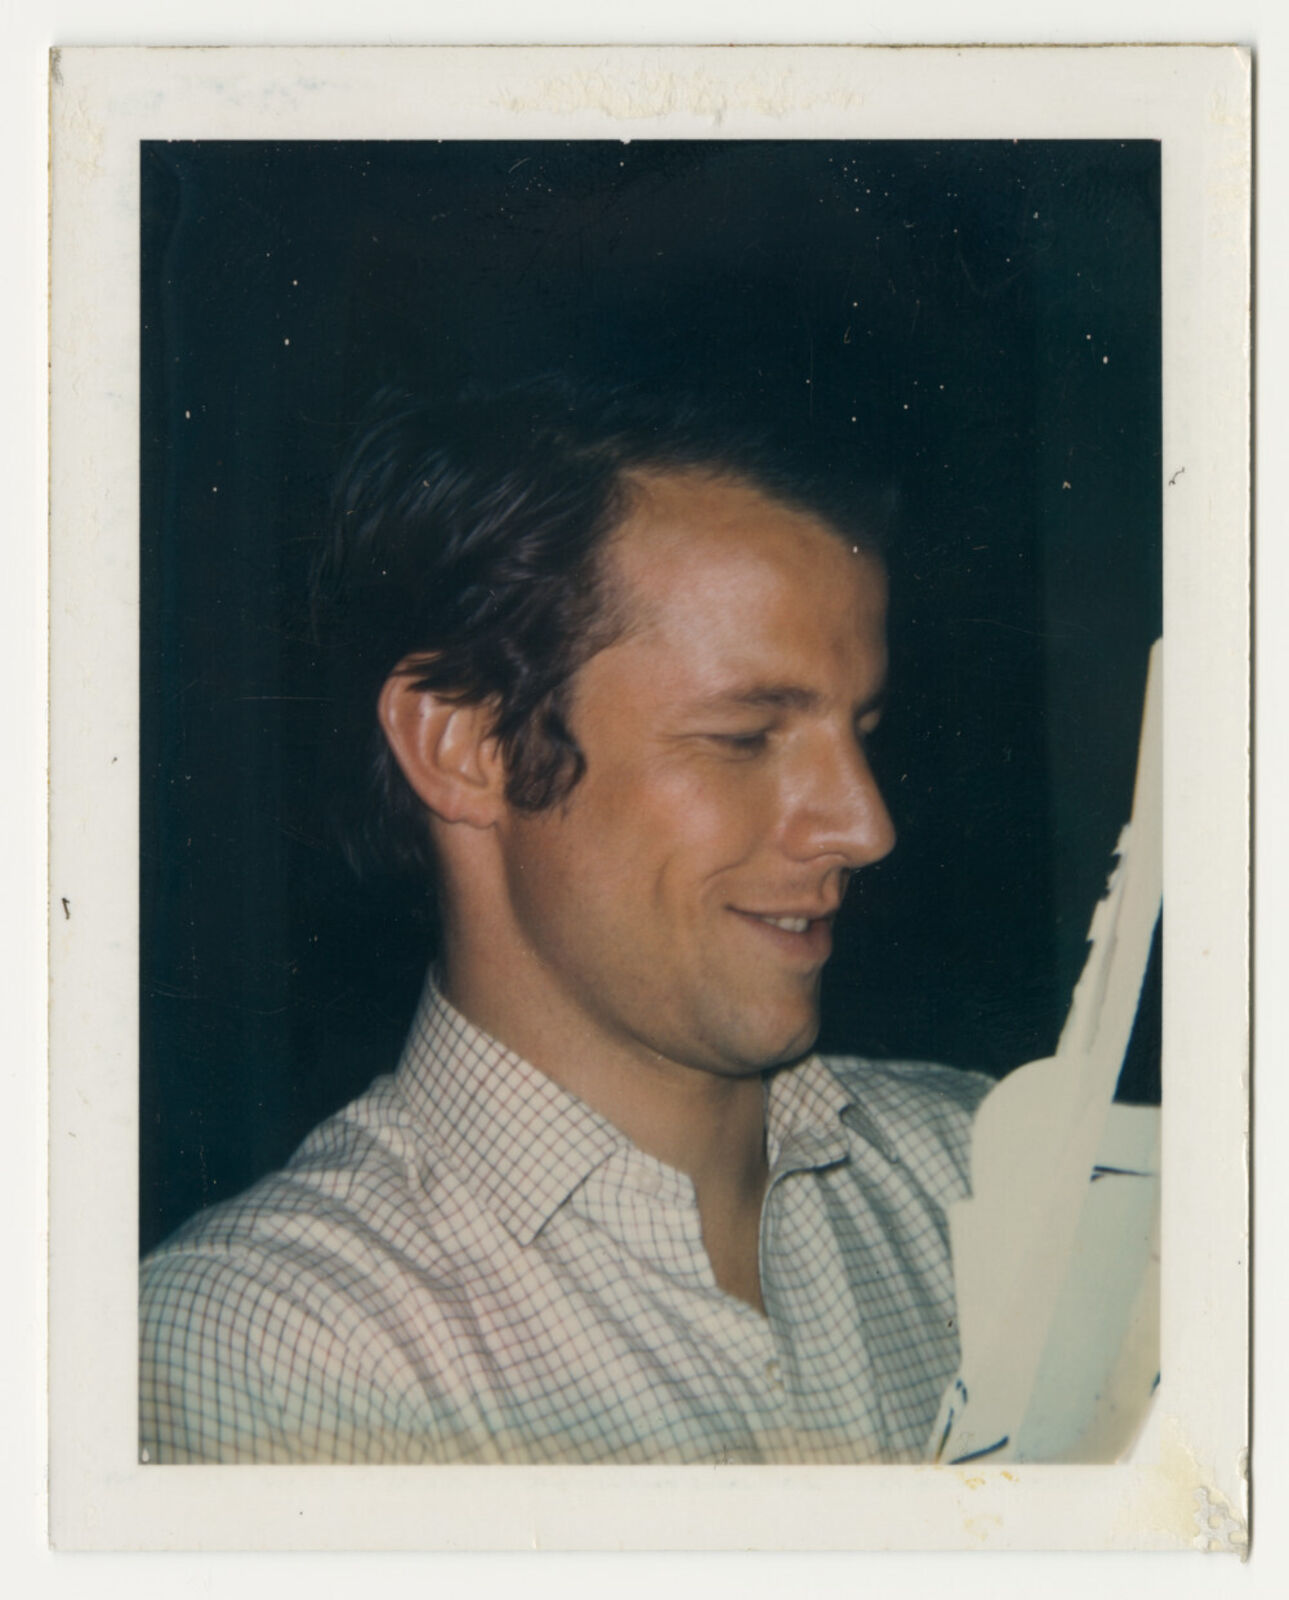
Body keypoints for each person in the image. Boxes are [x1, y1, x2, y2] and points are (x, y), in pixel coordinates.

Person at [139, 377, 990, 1466]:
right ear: (466, 748)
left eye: (860, 729)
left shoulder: (993, 1174)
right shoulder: (257, 1360)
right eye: (742, 737)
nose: (864, 826)